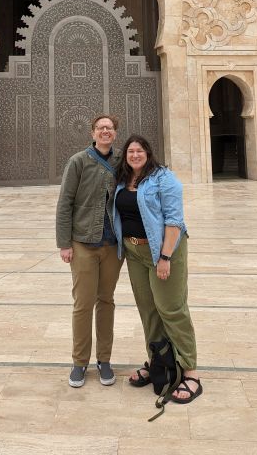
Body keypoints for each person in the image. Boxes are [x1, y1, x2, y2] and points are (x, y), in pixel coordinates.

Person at [112, 134, 202, 404]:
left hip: (163, 251)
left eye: (140, 150)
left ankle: (191, 372)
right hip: (134, 252)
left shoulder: (164, 178)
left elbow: (174, 220)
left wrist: (165, 257)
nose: (135, 155)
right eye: (131, 151)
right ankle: (158, 362)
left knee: (171, 308)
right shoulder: (122, 179)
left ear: (149, 153)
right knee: (148, 310)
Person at [56, 114, 123, 388]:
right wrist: (64, 243)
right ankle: (79, 362)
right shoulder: (78, 161)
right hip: (83, 242)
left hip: (112, 244)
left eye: (110, 128)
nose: (105, 131)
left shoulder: (123, 161)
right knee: (83, 304)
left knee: (106, 301)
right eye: (100, 128)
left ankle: (104, 360)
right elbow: (64, 203)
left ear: (115, 133)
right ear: (93, 133)